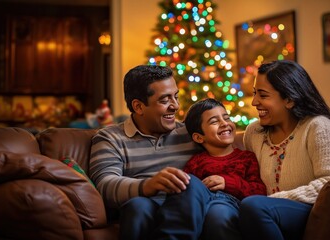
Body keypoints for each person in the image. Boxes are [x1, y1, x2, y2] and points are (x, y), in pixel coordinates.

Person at [89, 65, 212, 240]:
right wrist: (147, 186)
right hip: (144, 206)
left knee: (190, 182)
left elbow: (225, 157)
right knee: (138, 207)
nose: (175, 106)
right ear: (138, 106)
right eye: (164, 100)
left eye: (176, 97)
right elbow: (105, 185)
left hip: (187, 208)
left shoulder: (193, 134)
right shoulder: (110, 138)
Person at [238, 60, 330, 240]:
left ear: (289, 99)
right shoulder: (253, 132)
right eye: (255, 93)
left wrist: (277, 199)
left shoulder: (318, 127)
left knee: (254, 206)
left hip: (310, 213)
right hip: (263, 213)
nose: (254, 101)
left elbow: (328, 182)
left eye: (263, 95)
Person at [183, 98, 266, 240]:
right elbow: (185, 191)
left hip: (231, 206)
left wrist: (228, 183)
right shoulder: (196, 162)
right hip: (202, 206)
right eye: (214, 122)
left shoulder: (246, 158)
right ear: (198, 137)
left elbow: (259, 191)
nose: (224, 123)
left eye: (226, 117)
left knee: (217, 213)